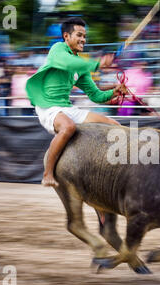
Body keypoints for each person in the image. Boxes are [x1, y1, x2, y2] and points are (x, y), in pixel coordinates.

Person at [26, 17, 127, 187]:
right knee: (68, 127)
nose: (83, 40)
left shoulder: (81, 66)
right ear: (66, 36)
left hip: (67, 108)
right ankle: (47, 173)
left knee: (115, 125)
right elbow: (68, 62)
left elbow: (95, 95)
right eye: (79, 35)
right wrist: (97, 63)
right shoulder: (57, 49)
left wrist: (114, 92)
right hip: (48, 107)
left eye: (85, 36)